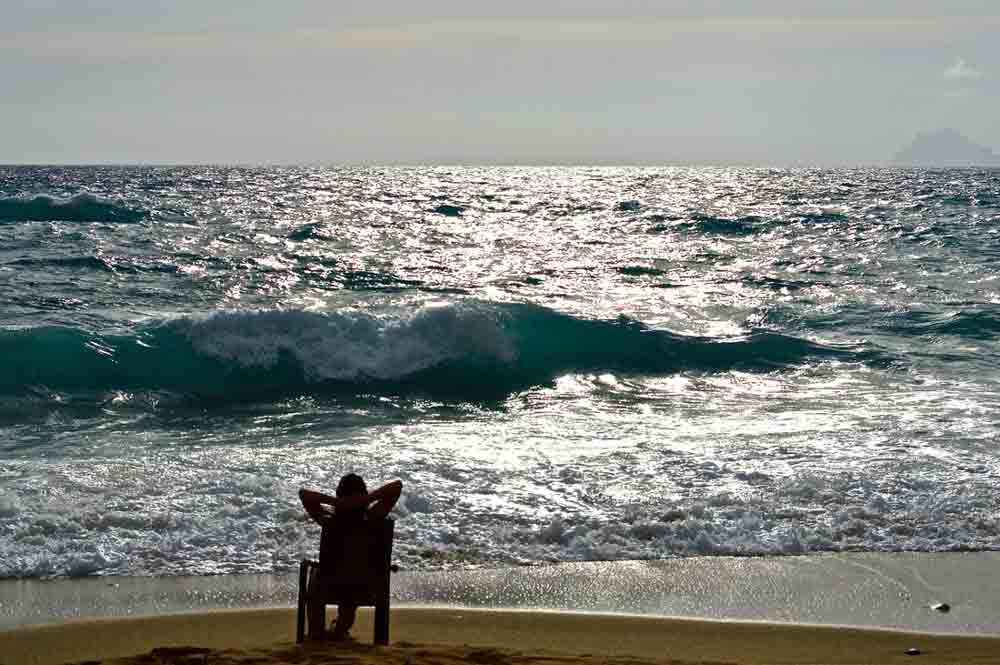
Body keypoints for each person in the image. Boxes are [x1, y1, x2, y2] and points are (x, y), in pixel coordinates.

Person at [298, 475, 402, 640]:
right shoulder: (373, 517)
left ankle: (316, 632)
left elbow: (304, 494)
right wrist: (365, 501)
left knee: (316, 574)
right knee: (353, 577)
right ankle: (340, 629)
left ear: (340, 495)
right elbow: (397, 487)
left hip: (331, 585)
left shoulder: (330, 520)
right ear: (364, 493)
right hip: (365, 587)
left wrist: (338, 503)